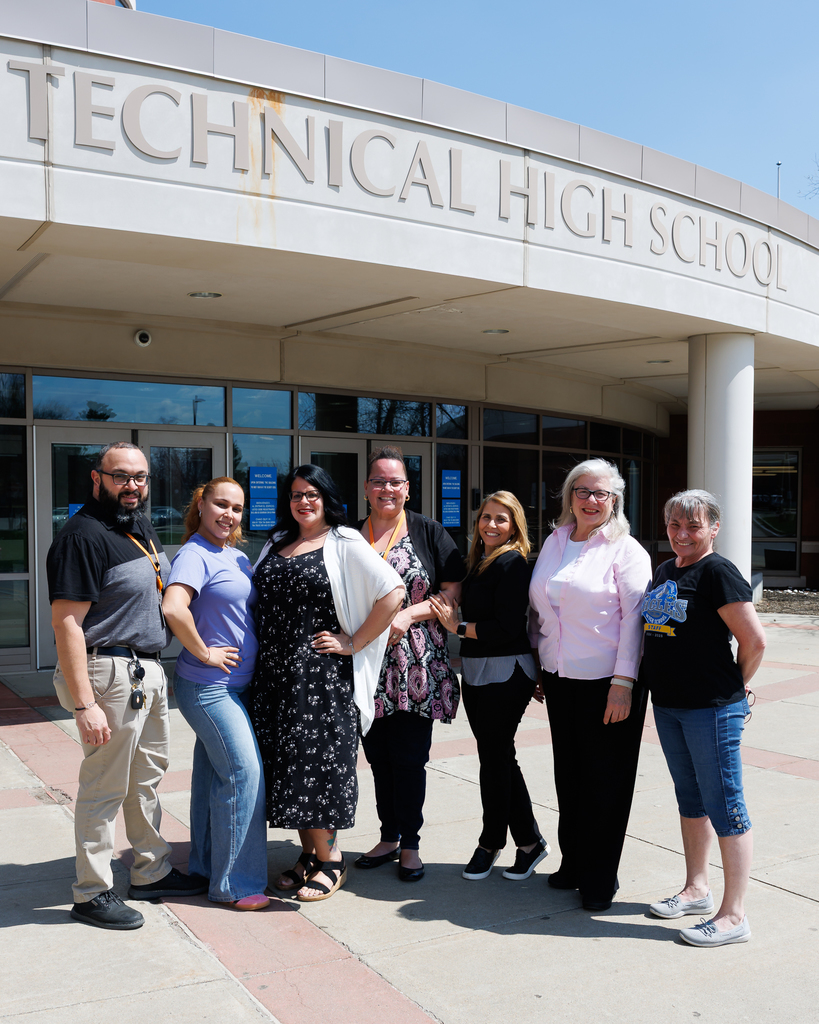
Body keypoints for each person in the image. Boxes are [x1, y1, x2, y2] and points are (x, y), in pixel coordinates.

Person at [47, 441, 207, 931]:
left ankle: (150, 872)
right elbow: (67, 624)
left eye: (140, 477)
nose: (132, 485)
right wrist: (84, 703)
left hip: (145, 670)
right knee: (104, 788)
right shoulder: (82, 535)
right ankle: (91, 892)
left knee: (146, 780)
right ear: (97, 479)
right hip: (107, 673)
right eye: (120, 476)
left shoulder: (136, 526)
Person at [251, 465, 404, 902]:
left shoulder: (343, 541)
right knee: (289, 768)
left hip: (319, 678)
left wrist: (354, 641)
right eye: (297, 494)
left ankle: (333, 861)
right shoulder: (276, 543)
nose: (304, 501)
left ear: (328, 498)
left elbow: (392, 592)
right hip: (276, 678)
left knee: (317, 768)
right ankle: (310, 855)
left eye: (313, 494)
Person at [642, 489, 765, 947]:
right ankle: (697, 889)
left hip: (711, 709)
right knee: (690, 800)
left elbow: (754, 642)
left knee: (725, 804)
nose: (682, 534)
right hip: (670, 706)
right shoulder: (664, 570)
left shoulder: (718, 571)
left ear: (714, 528)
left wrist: (734, 684)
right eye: (675, 525)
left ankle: (734, 915)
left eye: (693, 526)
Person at [529, 459, 651, 911]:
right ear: (570, 495)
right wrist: (542, 665)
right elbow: (543, 609)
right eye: (583, 491)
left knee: (606, 783)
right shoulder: (556, 540)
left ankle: (600, 879)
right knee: (571, 776)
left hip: (608, 684)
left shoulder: (626, 550)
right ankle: (573, 863)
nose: (591, 500)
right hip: (561, 680)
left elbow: (636, 622)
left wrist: (624, 683)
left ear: (614, 499)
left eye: (601, 493)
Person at [354, 446, 463, 883]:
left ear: (407, 489)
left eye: (394, 482)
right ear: (366, 489)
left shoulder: (427, 531)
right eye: (378, 481)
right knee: (377, 755)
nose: (386, 489)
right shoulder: (348, 535)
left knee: (410, 758)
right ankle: (388, 835)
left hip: (416, 663)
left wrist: (406, 615)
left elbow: (451, 596)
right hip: (365, 660)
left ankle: (411, 844)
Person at [431, 491, 549, 883]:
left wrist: (457, 629)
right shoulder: (478, 561)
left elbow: (508, 628)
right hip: (478, 671)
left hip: (507, 671)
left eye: (501, 519)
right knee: (497, 758)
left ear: (515, 525)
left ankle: (491, 842)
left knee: (495, 759)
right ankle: (530, 841)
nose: (491, 525)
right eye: (486, 517)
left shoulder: (513, 563)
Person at [163, 477, 268, 911]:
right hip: (209, 689)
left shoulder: (236, 556)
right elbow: (173, 607)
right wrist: (204, 651)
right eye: (220, 505)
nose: (229, 514)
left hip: (236, 686)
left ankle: (206, 866)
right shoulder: (194, 553)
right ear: (201, 506)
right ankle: (235, 884)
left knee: (212, 779)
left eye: (237, 508)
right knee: (245, 775)